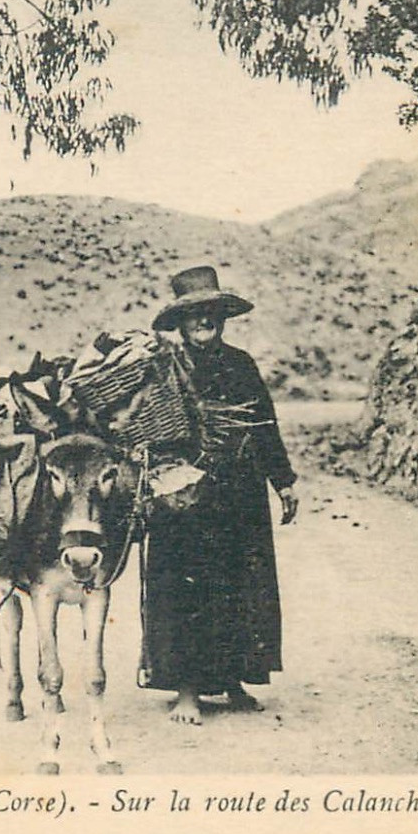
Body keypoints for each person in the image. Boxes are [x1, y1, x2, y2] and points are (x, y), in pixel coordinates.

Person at [139, 265, 299, 725]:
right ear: (181, 323)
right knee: (185, 588)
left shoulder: (241, 365)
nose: (203, 321)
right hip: (183, 497)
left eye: (210, 312)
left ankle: (232, 680)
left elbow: (265, 426)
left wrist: (283, 481)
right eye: (194, 314)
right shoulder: (163, 369)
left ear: (222, 317)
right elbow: (145, 430)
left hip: (240, 494)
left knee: (239, 584)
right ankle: (187, 690)